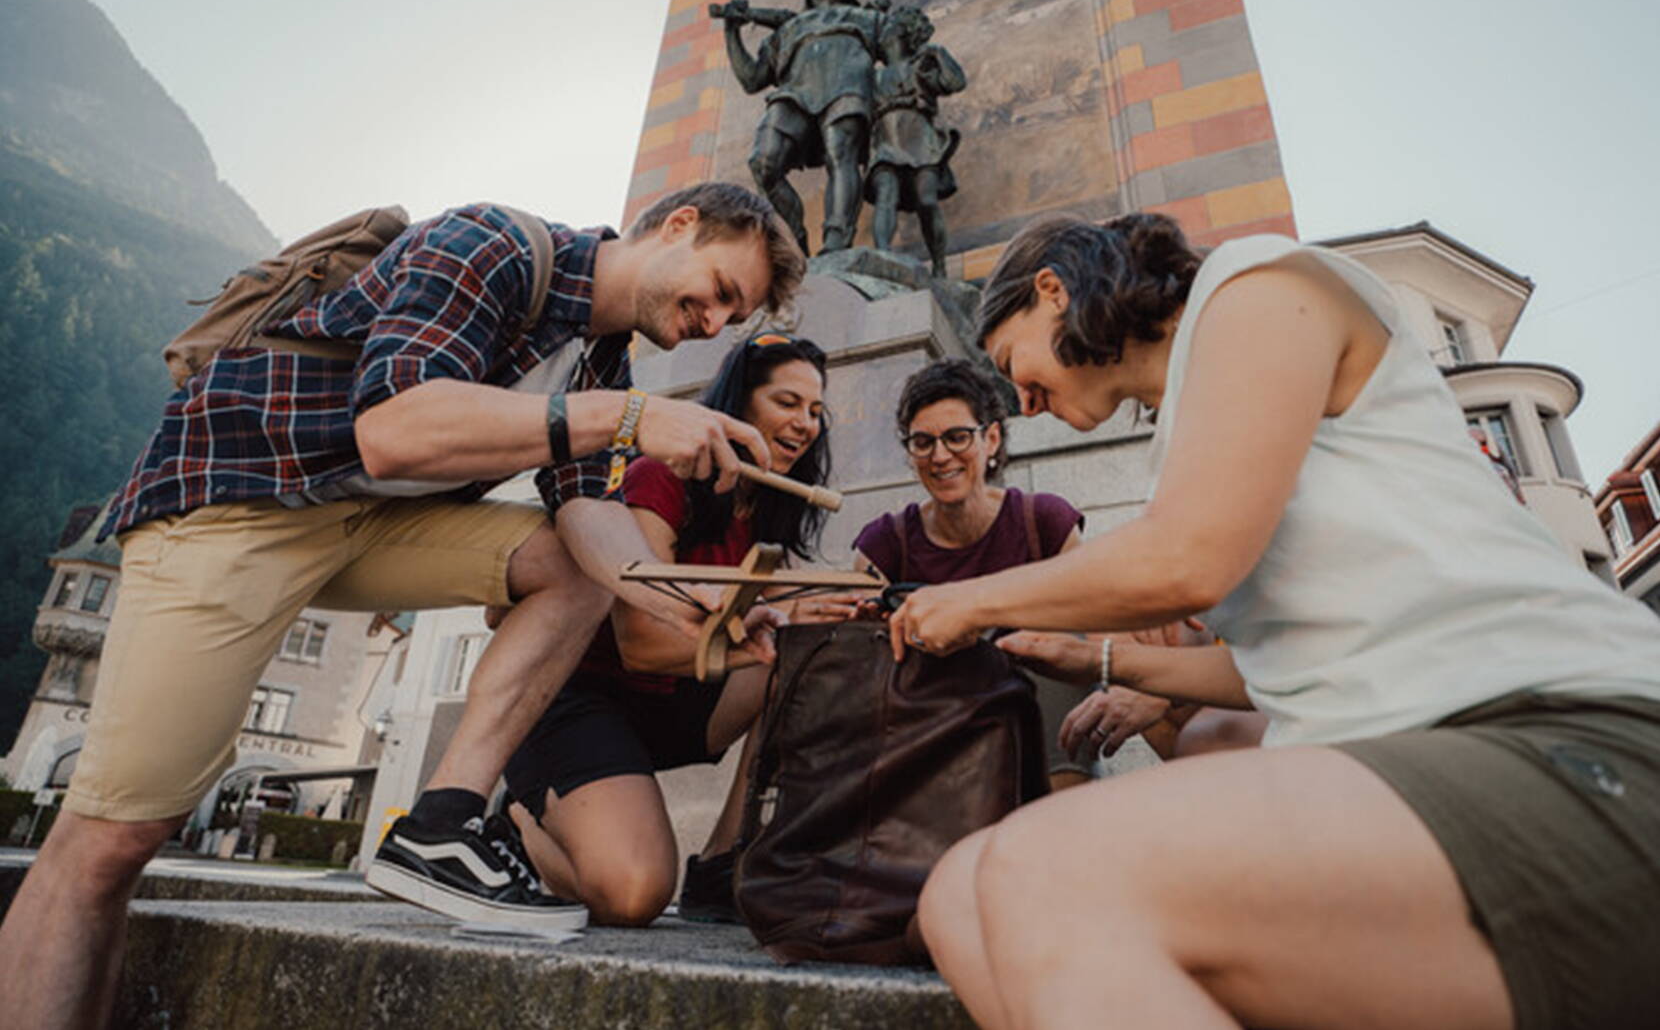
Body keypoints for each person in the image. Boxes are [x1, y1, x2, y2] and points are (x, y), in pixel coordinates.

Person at [0, 182, 805, 1030]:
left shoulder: (603, 359)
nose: (715, 323)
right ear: (679, 226)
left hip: (372, 523)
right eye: (719, 290)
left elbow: (588, 519)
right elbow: (394, 430)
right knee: (109, 846)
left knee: (571, 565)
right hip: (236, 501)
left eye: (733, 314)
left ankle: (442, 823)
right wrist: (632, 419)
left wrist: (678, 597)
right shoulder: (492, 244)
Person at [890, 213, 1660, 1028]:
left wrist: (973, 599)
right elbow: (1279, 667)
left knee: (1037, 873)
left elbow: (1188, 557)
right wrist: (1101, 663)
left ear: (1053, 292)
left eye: (1015, 362)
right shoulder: (1188, 428)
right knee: (956, 901)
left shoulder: (1259, 285)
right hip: (1401, 751)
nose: (1022, 399)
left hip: (1559, 734)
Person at [501, 332, 855, 926]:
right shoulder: (660, 478)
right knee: (633, 894)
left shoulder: (765, 504)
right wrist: (774, 621)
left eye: (816, 411)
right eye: (788, 403)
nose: (806, 424)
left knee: (814, 653)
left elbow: (782, 610)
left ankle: (722, 864)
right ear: (739, 406)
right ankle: (513, 822)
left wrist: (841, 605)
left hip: (668, 705)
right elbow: (642, 643)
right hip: (578, 701)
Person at [851, 359, 1092, 792]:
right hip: (933, 723)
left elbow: (1097, 613)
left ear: (992, 438)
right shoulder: (884, 544)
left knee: (1062, 634)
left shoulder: (1046, 522)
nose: (940, 456)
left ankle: (1064, 815)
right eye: (922, 443)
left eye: (957, 437)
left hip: (1041, 708)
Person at [715, 0, 886, 253]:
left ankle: (836, 240)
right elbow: (752, 79)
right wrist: (732, 31)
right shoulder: (789, 28)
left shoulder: (868, 19)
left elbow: (904, 55)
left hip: (848, 86)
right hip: (794, 95)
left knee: (841, 154)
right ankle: (795, 242)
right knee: (764, 163)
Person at [865, 5, 966, 277]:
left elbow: (956, 83)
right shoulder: (872, 76)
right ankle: (883, 253)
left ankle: (940, 265)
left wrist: (938, 53)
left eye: (888, 28)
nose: (882, 34)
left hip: (920, 137)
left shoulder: (920, 66)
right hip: (886, 138)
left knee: (927, 200)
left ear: (900, 33)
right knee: (886, 191)